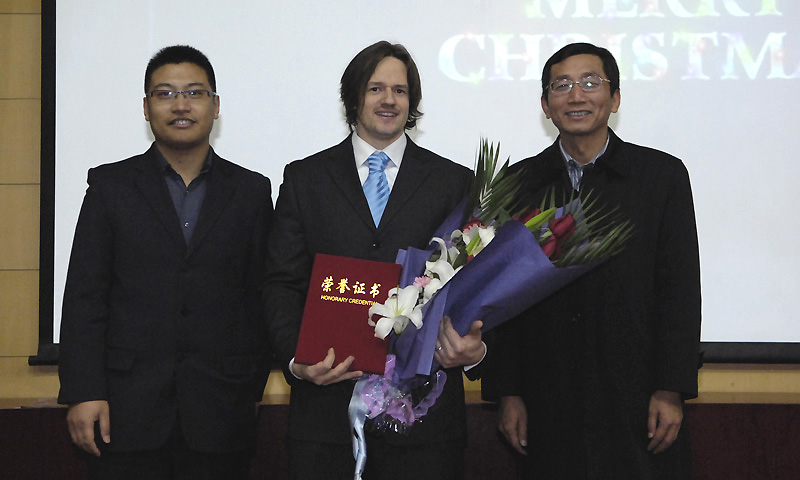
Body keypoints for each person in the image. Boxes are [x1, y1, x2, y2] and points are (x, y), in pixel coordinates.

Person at [263, 41, 486, 480]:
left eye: (400, 91)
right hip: (325, 414)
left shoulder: (453, 181)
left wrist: (473, 348)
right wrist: (296, 358)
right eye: (375, 88)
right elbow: (281, 282)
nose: (389, 100)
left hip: (424, 420)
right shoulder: (306, 178)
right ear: (353, 98)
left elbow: (473, 285)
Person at [481, 42, 702, 479]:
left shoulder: (660, 177)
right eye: (561, 86)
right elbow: (500, 297)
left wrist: (671, 388)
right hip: (547, 398)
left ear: (614, 98)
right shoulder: (519, 183)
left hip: (636, 395)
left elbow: (679, 289)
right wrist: (507, 392)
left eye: (590, 83)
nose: (576, 96)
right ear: (546, 105)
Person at [57, 45, 273, 480]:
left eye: (194, 93)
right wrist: (83, 391)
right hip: (124, 412)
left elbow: (260, 297)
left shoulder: (251, 191)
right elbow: (85, 295)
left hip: (221, 411)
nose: (180, 105)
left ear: (215, 106)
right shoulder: (110, 186)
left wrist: (249, 386)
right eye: (165, 94)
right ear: (146, 107)